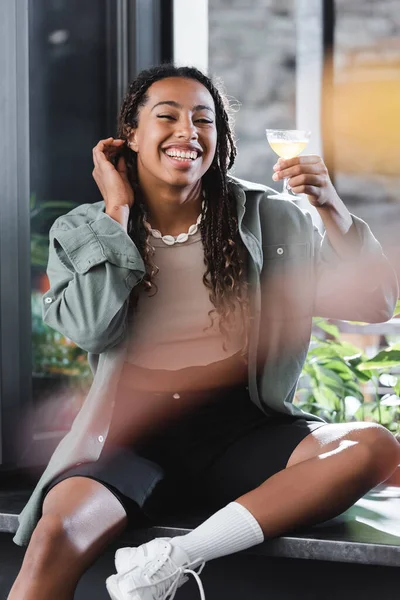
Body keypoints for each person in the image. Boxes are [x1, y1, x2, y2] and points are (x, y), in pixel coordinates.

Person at [8, 64, 400, 600]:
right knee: (57, 534)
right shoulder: (84, 229)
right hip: (131, 435)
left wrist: (329, 204)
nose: (188, 131)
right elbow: (91, 331)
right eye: (166, 116)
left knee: (372, 445)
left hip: (244, 428)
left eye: (204, 119)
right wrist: (118, 213)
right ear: (132, 137)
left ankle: (174, 559)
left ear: (221, 137)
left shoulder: (272, 217)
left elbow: (375, 304)